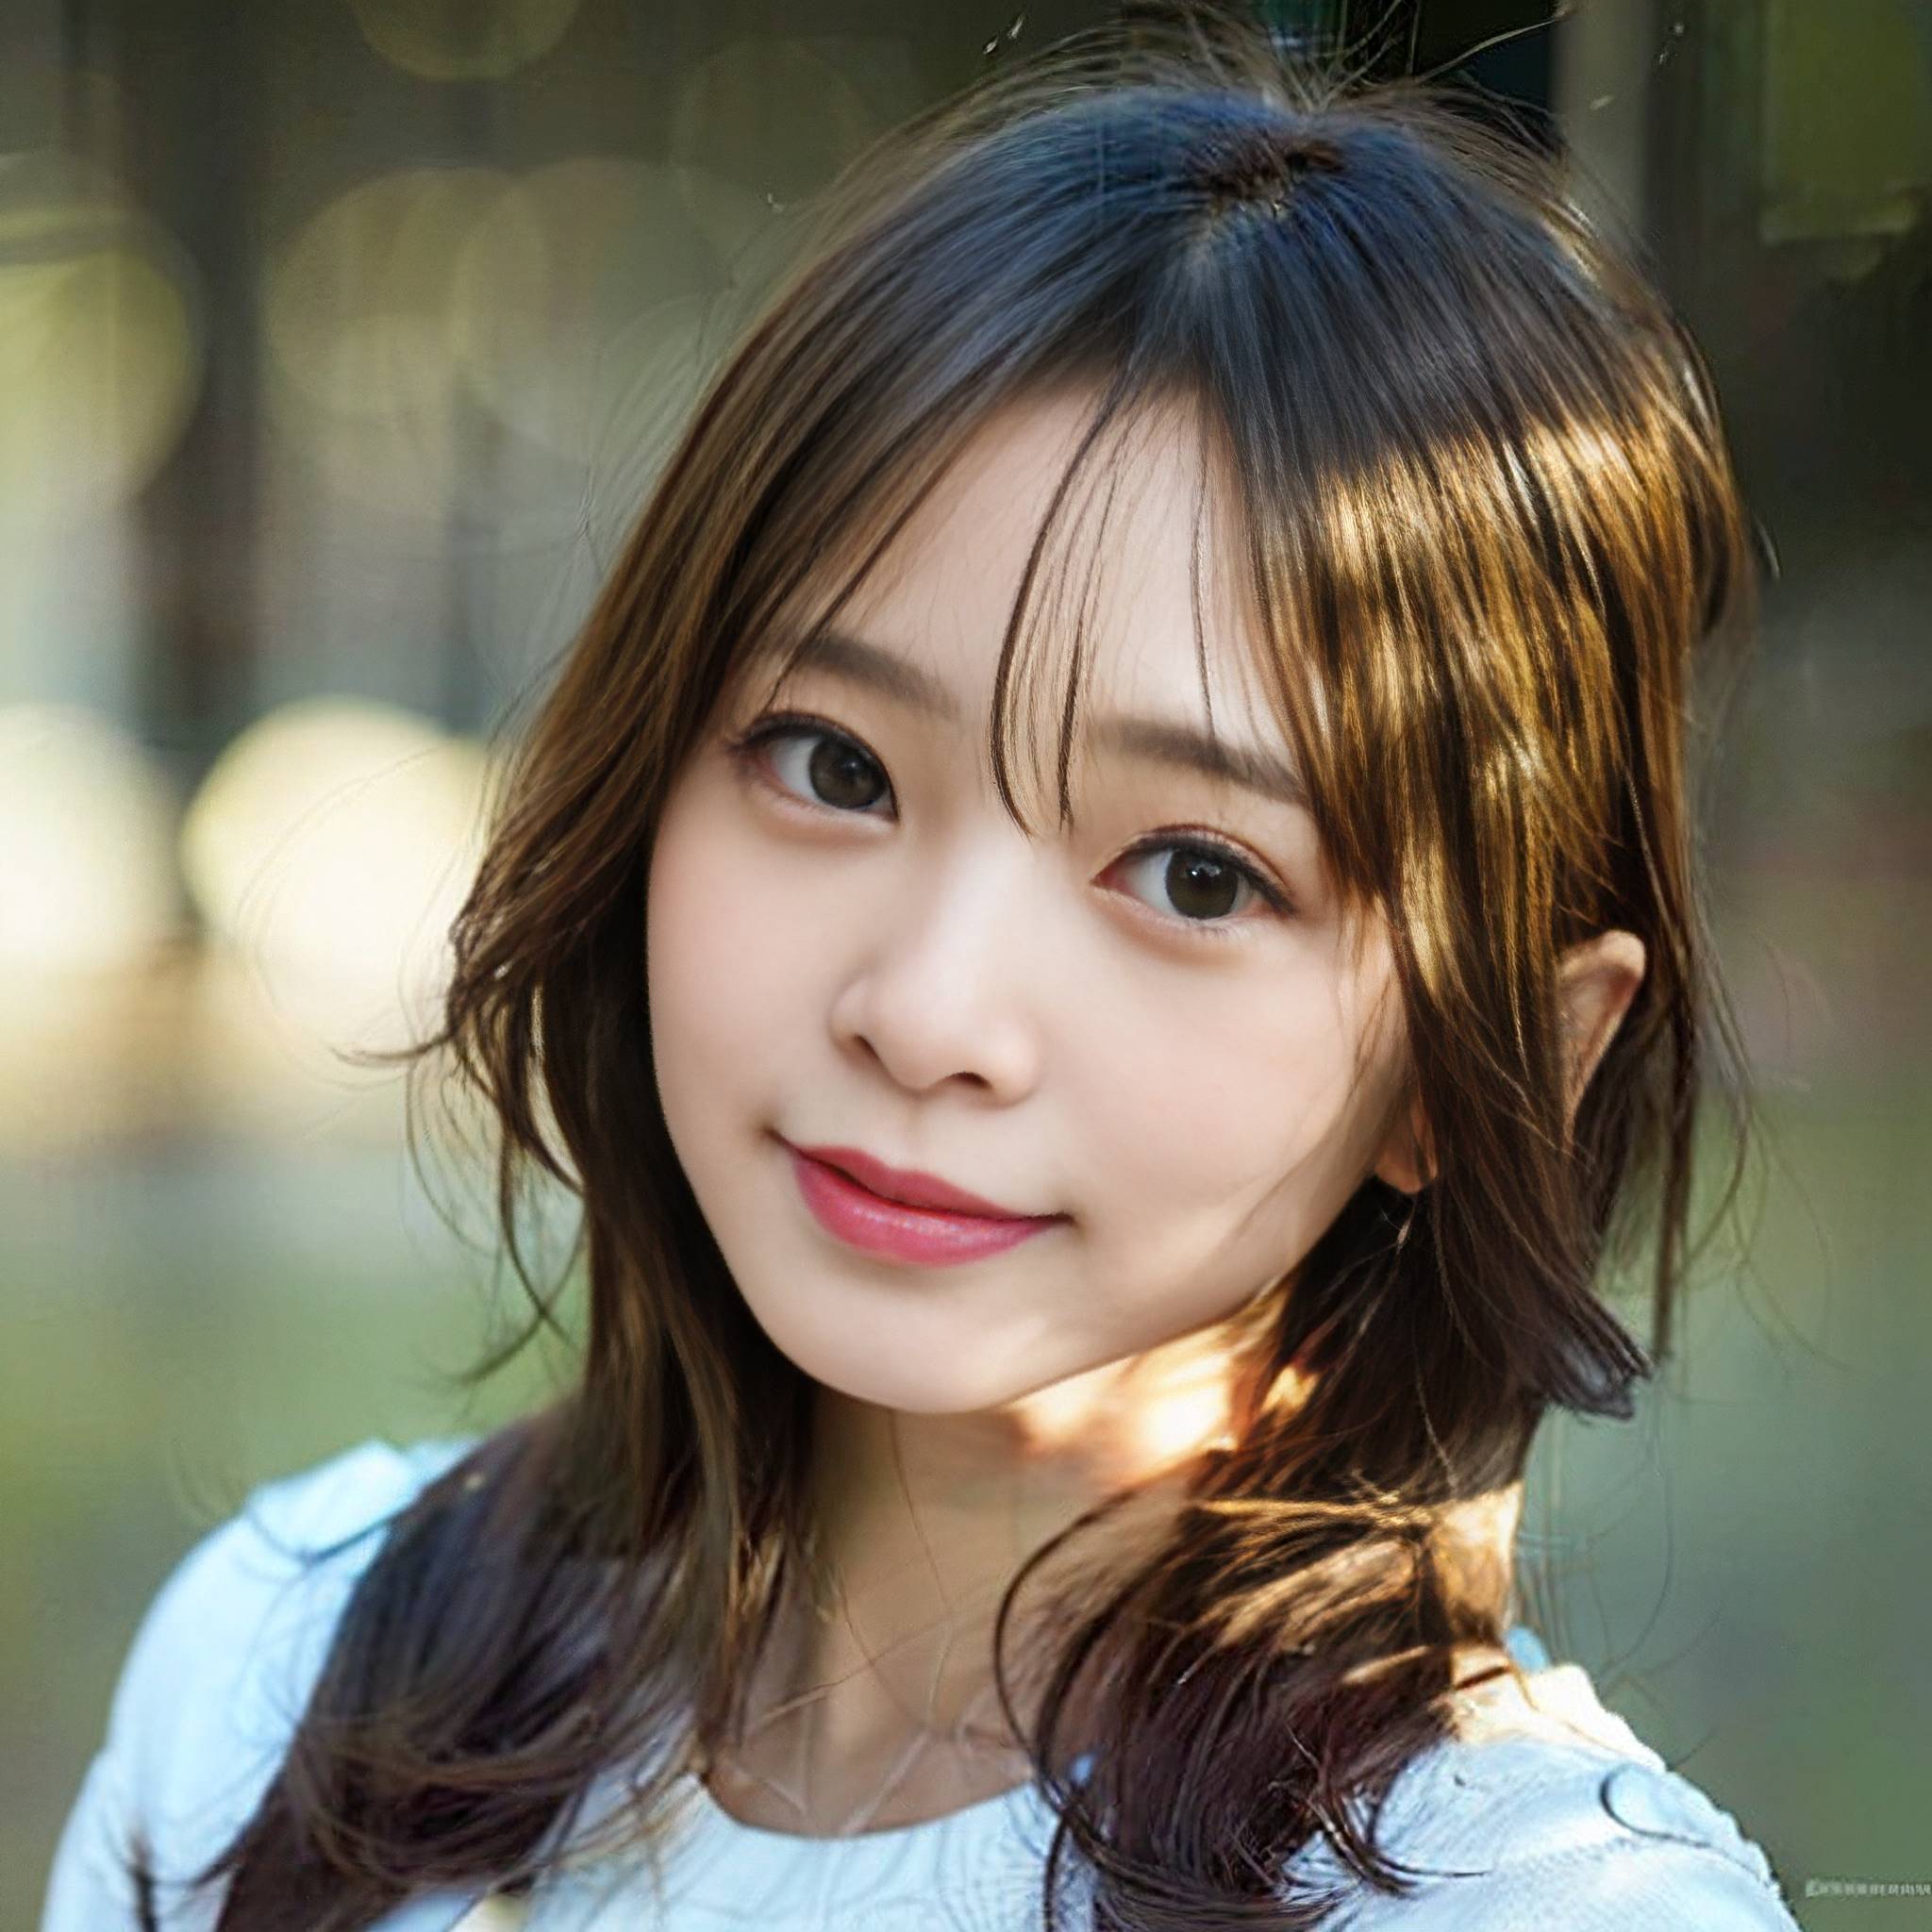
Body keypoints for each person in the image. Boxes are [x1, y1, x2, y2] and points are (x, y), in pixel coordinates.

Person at [42, 11, 1805, 1929]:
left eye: (1197, 873)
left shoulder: (1519, 1904)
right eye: (836, 766)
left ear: (1499, 1063)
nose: (929, 1011)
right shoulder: (283, 1681)